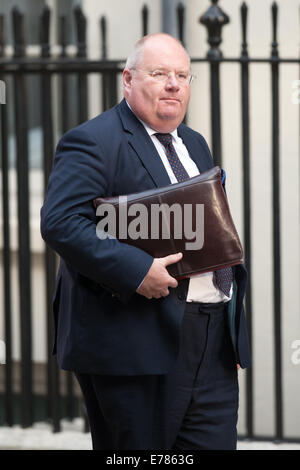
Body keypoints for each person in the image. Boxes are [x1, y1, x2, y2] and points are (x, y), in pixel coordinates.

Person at [40, 33, 251, 450]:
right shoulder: (93, 141)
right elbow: (61, 221)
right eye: (158, 73)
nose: (173, 84)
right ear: (128, 79)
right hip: (135, 341)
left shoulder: (193, 143)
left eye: (182, 75)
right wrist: (137, 271)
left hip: (212, 342)